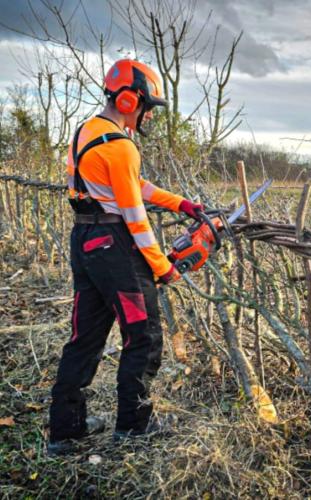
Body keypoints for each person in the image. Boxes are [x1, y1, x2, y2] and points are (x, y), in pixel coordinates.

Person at [47, 59, 204, 455]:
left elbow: (132, 185)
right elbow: (134, 216)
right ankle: (135, 427)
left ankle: (66, 430)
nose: (148, 114)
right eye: (147, 106)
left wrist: (181, 204)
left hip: (85, 239)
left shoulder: (89, 131)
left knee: (84, 338)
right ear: (130, 99)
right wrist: (162, 266)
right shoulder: (121, 146)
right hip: (114, 245)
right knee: (144, 334)